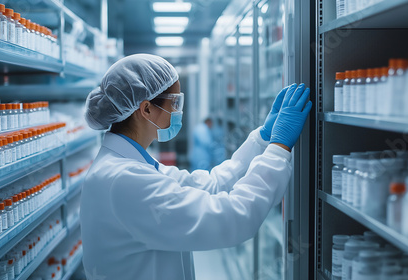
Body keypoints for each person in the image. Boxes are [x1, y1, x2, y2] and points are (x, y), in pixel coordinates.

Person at [80, 54, 312, 280]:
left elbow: (211, 184)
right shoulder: (125, 181)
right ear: (146, 109)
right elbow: (234, 217)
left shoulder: (130, 165)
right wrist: (279, 148)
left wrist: (261, 140)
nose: (178, 111)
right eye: (175, 102)